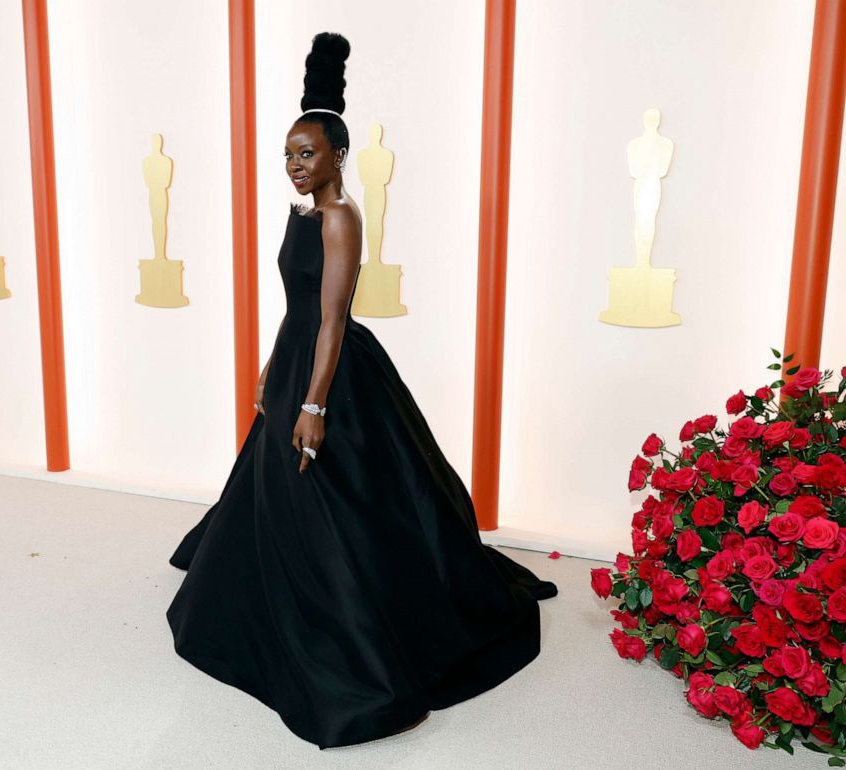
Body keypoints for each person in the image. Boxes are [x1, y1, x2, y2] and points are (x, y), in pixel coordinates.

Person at [166, 31, 557, 750]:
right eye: (287, 154)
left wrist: (314, 406)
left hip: (330, 371)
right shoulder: (305, 212)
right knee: (275, 487)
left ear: (337, 156)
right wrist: (267, 367)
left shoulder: (342, 219)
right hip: (295, 357)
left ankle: (347, 643)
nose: (294, 165)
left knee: (328, 491)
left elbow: (333, 319)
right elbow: (297, 305)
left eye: (306, 153)